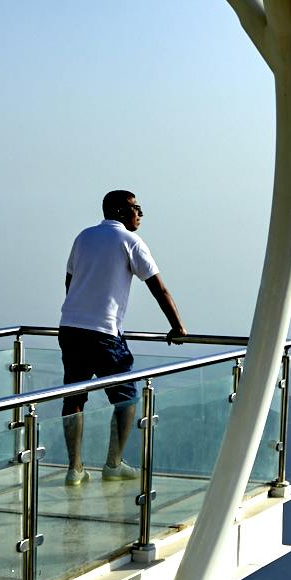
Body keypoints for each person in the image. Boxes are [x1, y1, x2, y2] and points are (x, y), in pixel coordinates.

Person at [59, 189, 187, 486]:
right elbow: (158, 287)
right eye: (136, 208)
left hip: (70, 327)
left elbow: (70, 280)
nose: (140, 214)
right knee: (126, 397)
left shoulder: (84, 237)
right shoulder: (131, 241)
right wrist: (178, 326)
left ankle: (74, 469)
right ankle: (113, 464)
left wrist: (80, 311)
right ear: (119, 211)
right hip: (103, 332)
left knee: (74, 397)